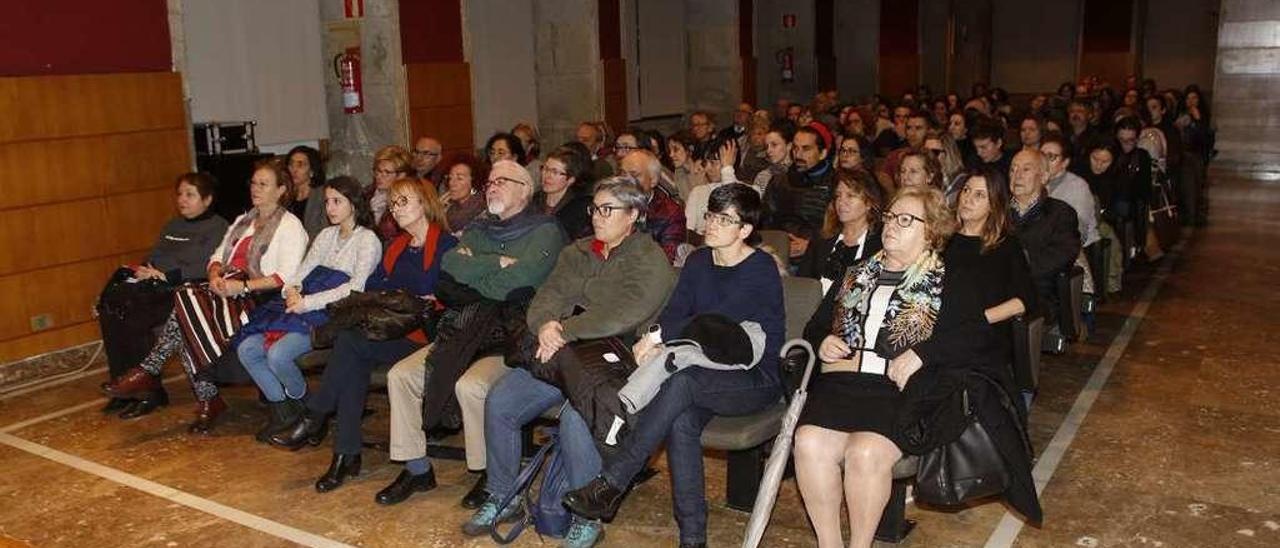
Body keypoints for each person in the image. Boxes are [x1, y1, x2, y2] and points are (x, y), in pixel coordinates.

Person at [563, 184, 785, 548]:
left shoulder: (759, 268)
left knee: (681, 383)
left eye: (724, 219)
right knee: (681, 419)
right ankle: (693, 537)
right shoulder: (698, 261)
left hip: (754, 377)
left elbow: (713, 322)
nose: (711, 224)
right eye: (711, 215)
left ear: (745, 230)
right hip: (701, 370)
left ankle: (615, 480)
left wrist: (656, 338)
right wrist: (656, 334)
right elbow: (678, 312)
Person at [461, 177, 676, 546]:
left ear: (635, 215)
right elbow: (547, 295)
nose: (597, 216)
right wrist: (546, 324)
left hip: (616, 359)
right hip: (561, 352)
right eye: (596, 208)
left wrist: (564, 329)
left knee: (579, 418)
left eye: (609, 210)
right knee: (501, 401)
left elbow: (623, 313)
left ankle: (585, 517)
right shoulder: (577, 252)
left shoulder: (649, 258)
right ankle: (503, 495)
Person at [793, 187, 993, 548]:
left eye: (905, 220)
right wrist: (823, 340)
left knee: (865, 453)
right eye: (889, 217)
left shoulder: (948, 280)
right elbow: (815, 325)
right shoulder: (856, 273)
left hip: (901, 392)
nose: (891, 226)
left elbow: (976, 336)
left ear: (930, 231)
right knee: (808, 443)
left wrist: (923, 353)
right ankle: (829, 544)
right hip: (842, 385)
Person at [364, 160, 565, 504]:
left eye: (502, 181)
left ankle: (489, 472)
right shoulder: (480, 226)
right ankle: (416, 469)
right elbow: (450, 270)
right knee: (401, 376)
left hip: (510, 336)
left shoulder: (544, 230)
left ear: (524, 189)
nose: (493, 187)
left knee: (471, 386)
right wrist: (494, 265)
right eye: (489, 182)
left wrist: (478, 272)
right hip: (463, 328)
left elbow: (522, 281)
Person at [268, 177, 457, 494]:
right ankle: (343, 451)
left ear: (424, 203)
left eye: (403, 202)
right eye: (393, 203)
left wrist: (417, 298)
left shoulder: (447, 245)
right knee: (350, 353)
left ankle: (323, 427)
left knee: (349, 345)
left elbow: (450, 296)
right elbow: (375, 289)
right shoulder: (396, 246)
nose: (396, 210)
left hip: (426, 336)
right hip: (391, 329)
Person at [104, 160, 309, 434]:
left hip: (262, 300)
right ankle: (192, 391)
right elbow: (217, 256)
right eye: (253, 183)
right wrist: (213, 275)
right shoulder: (243, 221)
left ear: (282, 190)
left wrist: (244, 287)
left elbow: (285, 277)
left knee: (185, 303)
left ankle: (162, 374)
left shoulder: (290, 227)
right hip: (227, 293)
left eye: (263, 184)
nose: (255, 189)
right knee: (188, 311)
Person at [235, 176, 381, 442]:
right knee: (247, 349)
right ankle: (286, 413)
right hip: (303, 302)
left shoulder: (367, 240)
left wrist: (307, 303)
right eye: (327, 202)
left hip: (335, 312)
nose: (330, 208)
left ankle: (311, 415)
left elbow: (355, 288)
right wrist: (291, 290)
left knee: (278, 354)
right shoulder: (326, 235)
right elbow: (302, 271)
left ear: (355, 204)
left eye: (338, 201)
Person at [96, 173, 228, 418]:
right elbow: (154, 255)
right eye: (179, 194)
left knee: (135, 315)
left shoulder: (218, 227)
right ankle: (123, 386)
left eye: (190, 195)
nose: (182, 200)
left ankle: (151, 392)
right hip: (154, 283)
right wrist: (147, 269)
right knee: (111, 311)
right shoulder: (172, 226)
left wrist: (167, 276)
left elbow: (206, 266)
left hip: (185, 290)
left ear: (207, 199)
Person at [946, 168, 1038, 405]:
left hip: (983, 333)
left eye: (979, 195)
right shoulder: (943, 239)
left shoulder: (1006, 246)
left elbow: (1023, 300)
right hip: (943, 328)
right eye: (966, 190)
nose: (967, 199)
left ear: (993, 205)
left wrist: (979, 319)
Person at [1008, 149, 1080, 331]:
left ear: (1044, 176)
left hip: (1037, 293)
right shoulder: (997, 212)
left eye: (1026, 170)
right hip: (995, 288)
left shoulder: (1061, 213)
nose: (1017, 175)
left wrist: (1015, 270)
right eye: (1013, 169)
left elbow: (1061, 256)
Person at [796, 169, 884, 295]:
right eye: (838, 195)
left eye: (850, 195)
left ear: (869, 203)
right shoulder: (822, 238)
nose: (841, 202)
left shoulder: (879, 245)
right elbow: (802, 282)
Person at [763, 123, 836, 261]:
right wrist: (778, 245)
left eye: (806, 149)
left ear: (823, 153)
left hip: (819, 255)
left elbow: (842, 229)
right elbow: (766, 221)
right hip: (779, 252)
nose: (798, 154)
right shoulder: (779, 182)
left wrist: (812, 245)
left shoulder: (837, 185)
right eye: (795, 148)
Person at [620, 150, 686, 262]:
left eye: (634, 175)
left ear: (653, 180)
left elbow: (665, 260)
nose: (625, 180)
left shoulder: (670, 213)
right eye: (622, 174)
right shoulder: (610, 205)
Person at [1040, 133, 1100, 248]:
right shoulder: (1034, 180)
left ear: (1065, 162)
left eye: (1051, 157)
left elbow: (1077, 232)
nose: (1044, 161)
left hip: (1075, 250)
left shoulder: (1078, 187)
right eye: (1041, 155)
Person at [538, 146, 596, 240]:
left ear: (570, 179)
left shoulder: (580, 208)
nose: (547, 176)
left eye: (555, 172)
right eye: (545, 169)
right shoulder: (532, 200)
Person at [368, 145, 416, 242]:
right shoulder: (366, 193)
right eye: (378, 171)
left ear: (401, 175)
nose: (379, 176)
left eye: (387, 172)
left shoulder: (408, 199)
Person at [439, 153, 487, 235]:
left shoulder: (482, 209)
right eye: (450, 178)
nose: (452, 183)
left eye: (459, 178)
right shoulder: (449, 207)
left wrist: (439, 215)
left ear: (474, 181)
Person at [286, 146, 328, 238]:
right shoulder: (284, 195)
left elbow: (325, 231)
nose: (294, 169)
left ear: (312, 170)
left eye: (300, 165)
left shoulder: (323, 195)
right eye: (291, 164)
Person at [750, 123, 794, 195]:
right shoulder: (763, 176)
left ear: (789, 146)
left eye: (774, 145)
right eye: (767, 146)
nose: (768, 150)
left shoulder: (799, 175)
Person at [667, 130, 705, 201]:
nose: (671, 155)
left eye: (676, 150)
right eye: (670, 150)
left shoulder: (703, 168)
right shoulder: (678, 172)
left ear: (690, 150)